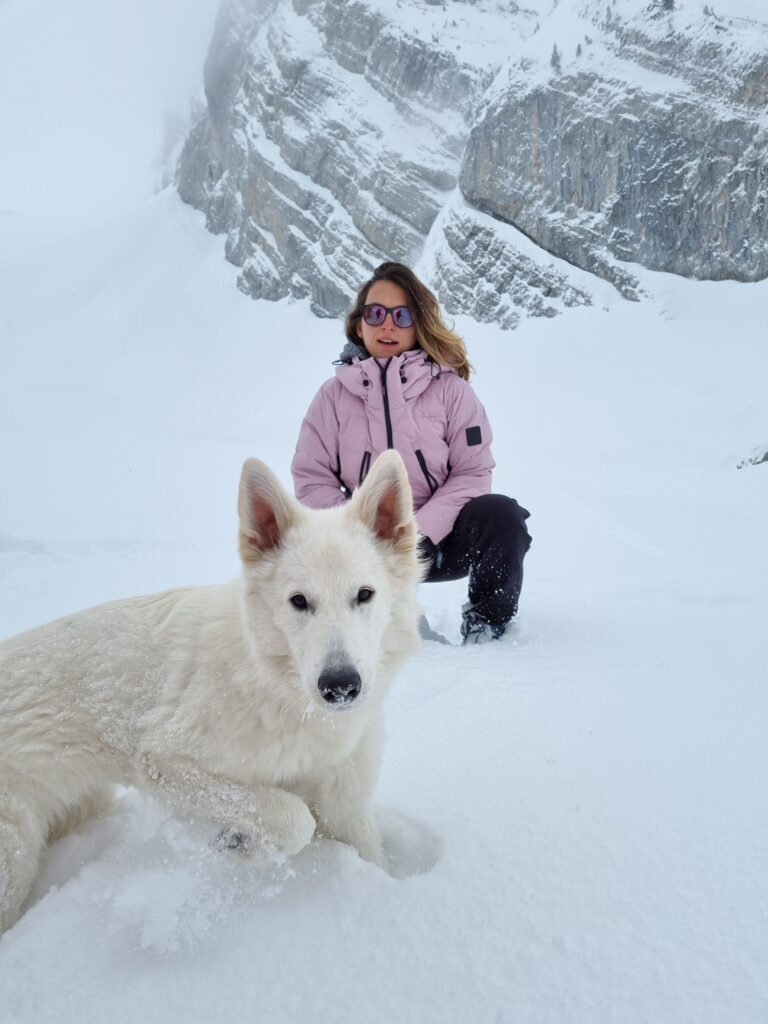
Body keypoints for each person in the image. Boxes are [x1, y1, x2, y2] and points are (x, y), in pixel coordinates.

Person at [291, 261, 531, 644]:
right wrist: (355, 531)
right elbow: (312, 475)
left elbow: (473, 473)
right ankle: (357, 624)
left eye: (401, 315)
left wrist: (421, 532)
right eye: (376, 313)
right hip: (363, 546)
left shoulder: (453, 392)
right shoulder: (331, 398)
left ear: (417, 325)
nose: (387, 325)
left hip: (439, 543)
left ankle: (487, 623)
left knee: (503, 516)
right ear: (359, 324)